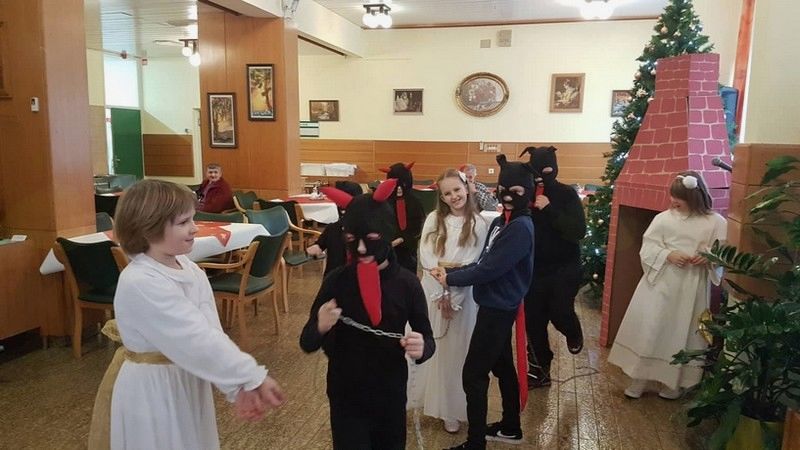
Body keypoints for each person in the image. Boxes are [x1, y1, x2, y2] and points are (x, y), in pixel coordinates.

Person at [94, 180, 284, 450]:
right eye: (183, 222)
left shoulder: (188, 268)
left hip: (185, 377)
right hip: (154, 388)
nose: (194, 228)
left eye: (192, 219)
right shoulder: (141, 280)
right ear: (149, 228)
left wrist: (237, 387)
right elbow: (194, 337)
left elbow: (210, 332)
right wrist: (250, 376)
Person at [299, 179, 435, 450]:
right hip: (345, 393)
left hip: (390, 392)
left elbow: (428, 340)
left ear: (386, 234)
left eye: (371, 239)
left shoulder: (407, 284)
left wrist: (422, 348)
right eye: (352, 240)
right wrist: (321, 326)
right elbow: (307, 341)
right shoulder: (337, 280)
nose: (360, 249)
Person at [432, 154, 535, 450]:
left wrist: (451, 279)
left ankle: (475, 442)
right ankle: (511, 427)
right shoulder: (503, 222)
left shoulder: (520, 227)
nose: (508, 196)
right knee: (502, 367)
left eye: (516, 191)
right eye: (504, 190)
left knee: (473, 375)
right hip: (492, 303)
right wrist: (451, 273)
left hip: (498, 309)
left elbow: (489, 269)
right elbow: (484, 260)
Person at [608, 171, 727, 400]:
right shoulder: (664, 219)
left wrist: (709, 257)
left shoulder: (715, 222)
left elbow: (724, 251)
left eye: (679, 198)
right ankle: (639, 378)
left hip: (692, 287)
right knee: (652, 327)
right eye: (672, 196)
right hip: (662, 283)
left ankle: (675, 383)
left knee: (683, 330)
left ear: (694, 197)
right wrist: (667, 254)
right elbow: (648, 246)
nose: (673, 201)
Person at [411, 168, 489, 434]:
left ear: (466, 188)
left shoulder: (478, 223)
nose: (454, 196)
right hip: (433, 293)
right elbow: (426, 256)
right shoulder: (434, 219)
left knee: (456, 353)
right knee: (433, 348)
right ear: (442, 197)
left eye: (457, 190)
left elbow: (473, 261)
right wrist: (439, 293)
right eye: (447, 193)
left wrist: (452, 296)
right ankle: (426, 400)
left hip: (461, 296)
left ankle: (451, 410)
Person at [520, 146, 586, 389]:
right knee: (534, 322)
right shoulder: (526, 194)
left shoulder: (566, 194)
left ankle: (572, 330)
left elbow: (577, 231)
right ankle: (539, 371)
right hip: (533, 269)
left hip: (564, 267)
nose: (541, 176)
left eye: (546, 170)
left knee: (560, 311)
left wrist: (549, 208)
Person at [305, 181, 364, 277]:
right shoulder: (333, 228)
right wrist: (315, 249)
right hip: (335, 278)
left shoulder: (365, 229)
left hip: (354, 278)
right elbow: (319, 246)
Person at [380, 161, 425, 273]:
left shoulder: (414, 202)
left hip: (408, 249)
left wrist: (403, 239)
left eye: (402, 185)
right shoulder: (384, 203)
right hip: (388, 249)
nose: (399, 189)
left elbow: (418, 225)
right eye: (396, 186)